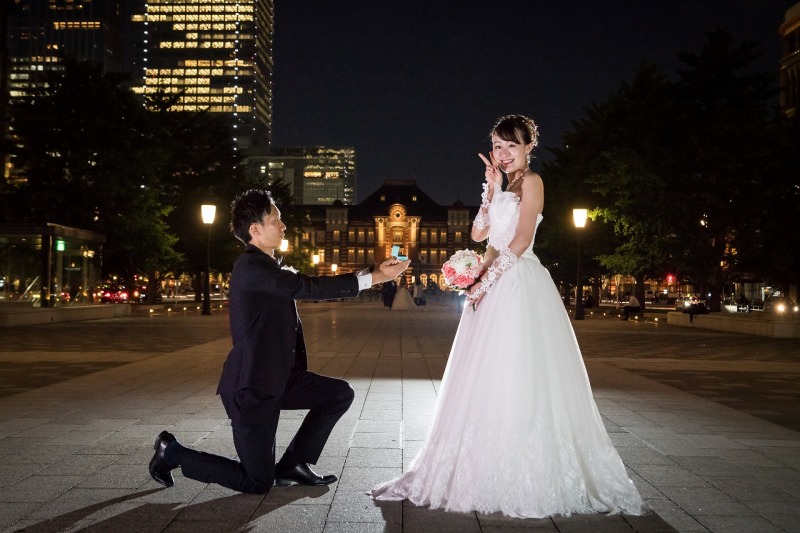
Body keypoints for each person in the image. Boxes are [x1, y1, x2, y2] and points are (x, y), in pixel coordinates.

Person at [371, 115, 645, 518]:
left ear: (529, 147)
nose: (502, 153)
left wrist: (485, 282)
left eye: (510, 146)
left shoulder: (533, 182)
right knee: (485, 373)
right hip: (492, 280)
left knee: (519, 370)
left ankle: (528, 470)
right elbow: (479, 234)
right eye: (497, 146)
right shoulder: (504, 183)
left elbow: (520, 241)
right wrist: (491, 191)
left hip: (518, 282)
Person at [148, 189, 409, 494]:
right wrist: (374, 277)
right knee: (257, 482)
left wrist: (374, 273)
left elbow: (302, 286)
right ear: (255, 230)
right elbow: (307, 287)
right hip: (253, 389)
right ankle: (172, 453)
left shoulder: (268, 266)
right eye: (275, 219)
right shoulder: (252, 267)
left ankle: (294, 464)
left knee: (339, 394)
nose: (283, 225)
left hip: (280, 379)